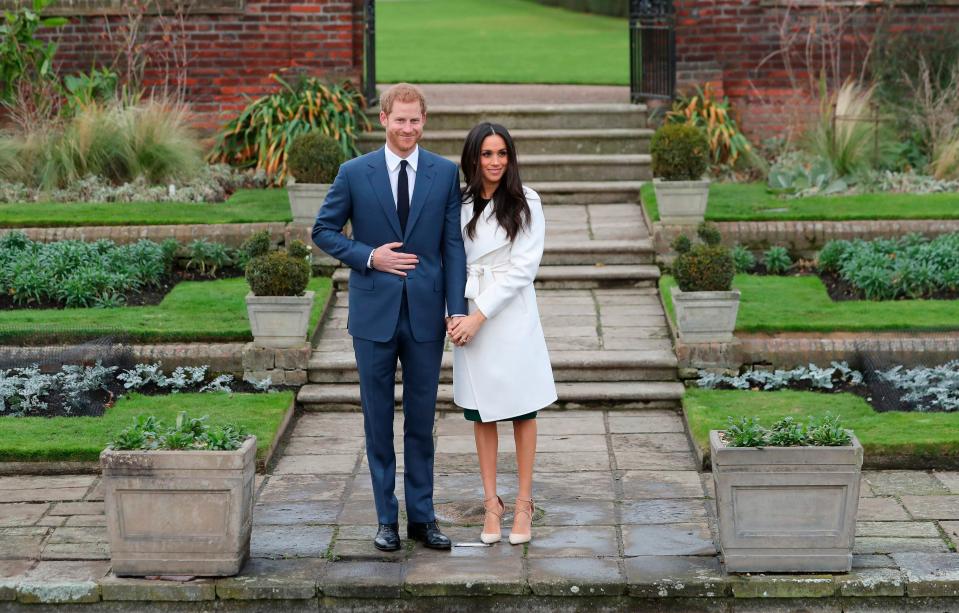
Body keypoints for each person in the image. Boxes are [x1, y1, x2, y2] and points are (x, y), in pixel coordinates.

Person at [312, 83, 467, 552]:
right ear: (383, 119)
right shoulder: (354, 173)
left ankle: (422, 517)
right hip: (373, 315)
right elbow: (322, 230)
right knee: (377, 419)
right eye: (399, 120)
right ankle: (385, 520)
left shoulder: (444, 173)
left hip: (425, 316)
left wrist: (456, 308)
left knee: (422, 420)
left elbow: (453, 247)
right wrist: (367, 256)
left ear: (424, 122)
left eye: (415, 120)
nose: (407, 128)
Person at [449, 123, 557, 545]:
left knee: (522, 409)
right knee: (481, 411)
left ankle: (524, 504)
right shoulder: (457, 202)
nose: (495, 162)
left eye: (502, 154)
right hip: (466, 310)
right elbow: (448, 258)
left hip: (509, 315)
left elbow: (523, 269)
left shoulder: (526, 201)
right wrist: (454, 315)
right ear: (473, 158)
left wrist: (479, 316)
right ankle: (491, 504)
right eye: (487, 154)